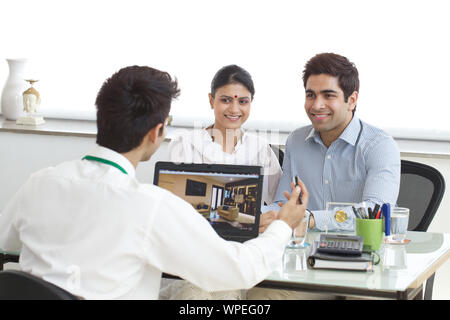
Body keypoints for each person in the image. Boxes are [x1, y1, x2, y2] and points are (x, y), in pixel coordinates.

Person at [0, 65, 308, 300]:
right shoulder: (151, 207)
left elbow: (8, 245)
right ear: (155, 133)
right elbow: (240, 269)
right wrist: (284, 224)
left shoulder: (39, 183)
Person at [248, 53, 401, 300]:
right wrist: (269, 216)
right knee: (261, 296)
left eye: (328, 95)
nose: (316, 104)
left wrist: (310, 219)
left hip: (366, 267)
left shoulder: (379, 146)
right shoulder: (296, 141)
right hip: (307, 266)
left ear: (352, 100)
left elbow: (374, 211)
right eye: (310, 95)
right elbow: (284, 202)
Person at [160, 64, 283, 299]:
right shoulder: (185, 144)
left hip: (239, 255)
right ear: (211, 100)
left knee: (228, 296)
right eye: (226, 100)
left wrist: (268, 219)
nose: (234, 109)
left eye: (243, 102)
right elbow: (171, 209)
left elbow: (273, 205)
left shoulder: (261, 149)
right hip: (192, 256)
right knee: (193, 296)